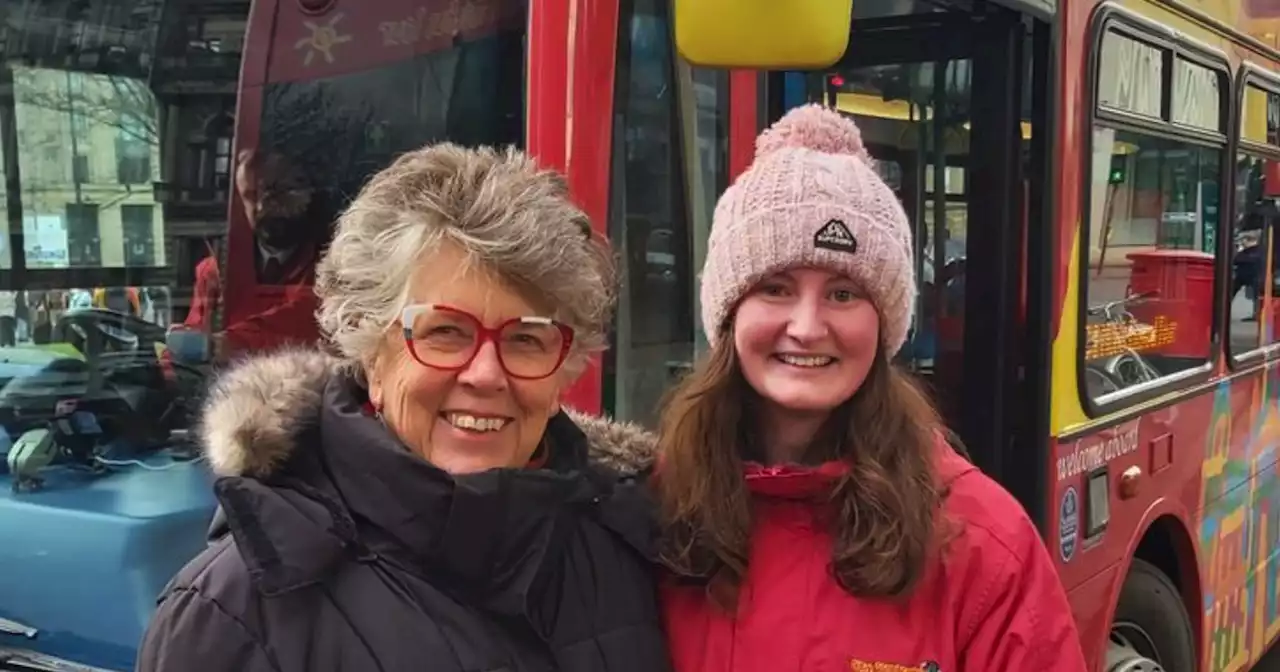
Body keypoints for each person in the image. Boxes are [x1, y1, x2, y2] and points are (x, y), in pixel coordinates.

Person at [137, 143, 672, 672]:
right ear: (369, 355)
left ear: (564, 368)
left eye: (526, 340)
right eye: (444, 332)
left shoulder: (628, 547)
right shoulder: (233, 615)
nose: (486, 373)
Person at [652, 105, 1088, 671]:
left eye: (843, 294)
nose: (807, 328)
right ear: (729, 313)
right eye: (776, 288)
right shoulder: (651, 513)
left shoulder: (981, 541)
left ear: (884, 324)